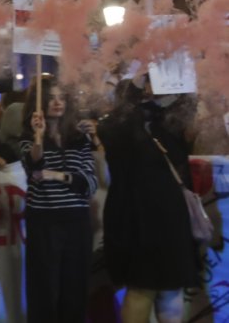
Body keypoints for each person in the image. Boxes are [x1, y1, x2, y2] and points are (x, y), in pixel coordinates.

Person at [98, 76, 200, 323]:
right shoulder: (120, 124)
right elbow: (113, 136)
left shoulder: (170, 120)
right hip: (138, 219)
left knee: (171, 288)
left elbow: (190, 137)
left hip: (171, 216)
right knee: (142, 288)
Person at [18, 76, 98, 323]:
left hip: (77, 221)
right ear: (39, 103)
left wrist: (56, 175)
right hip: (44, 220)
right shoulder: (29, 137)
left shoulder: (79, 138)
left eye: (61, 97)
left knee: (75, 288)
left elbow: (89, 184)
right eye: (51, 97)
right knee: (44, 289)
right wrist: (39, 137)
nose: (57, 102)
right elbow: (34, 169)